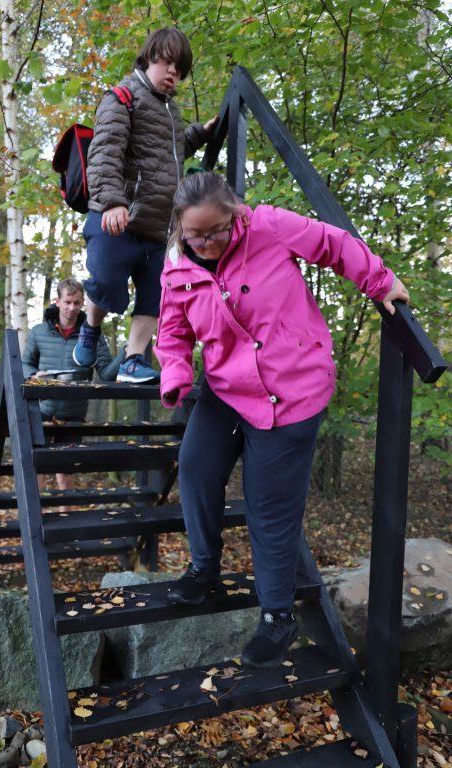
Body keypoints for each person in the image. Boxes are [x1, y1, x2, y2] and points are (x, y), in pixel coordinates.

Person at [155, 171, 410, 668]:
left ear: (235, 213)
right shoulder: (175, 268)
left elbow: (333, 244)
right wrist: (176, 371)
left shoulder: (269, 225)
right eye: (196, 235)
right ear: (180, 230)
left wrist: (380, 281)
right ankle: (204, 568)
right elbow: (173, 331)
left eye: (217, 231)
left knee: (268, 508)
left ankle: (277, 616)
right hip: (228, 388)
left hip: (292, 390)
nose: (207, 243)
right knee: (197, 468)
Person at [72, 27, 218, 383]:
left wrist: (198, 134)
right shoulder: (122, 97)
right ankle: (90, 328)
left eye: (179, 69)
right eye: (168, 63)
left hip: (159, 226)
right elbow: (105, 152)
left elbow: (166, 155)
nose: (173, 74)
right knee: (105, 283)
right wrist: (110, 203)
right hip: (118, 217)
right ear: (151, 56)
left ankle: (133, 361)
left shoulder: (171, 110)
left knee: (156, 296)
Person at [22, 278, 122, 497]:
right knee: (38, 468)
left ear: (83, 302)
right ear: (57, 301)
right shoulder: (38, 332)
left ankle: (65, 522)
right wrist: (33, 374)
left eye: (77, 303)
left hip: (74, 415)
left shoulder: (93, 335)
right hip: (42, 411)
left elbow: (106, 374)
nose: (72, 308)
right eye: (68, 302)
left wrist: (128, 351)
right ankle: (38, 523)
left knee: (66, 474)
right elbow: (24, 363)